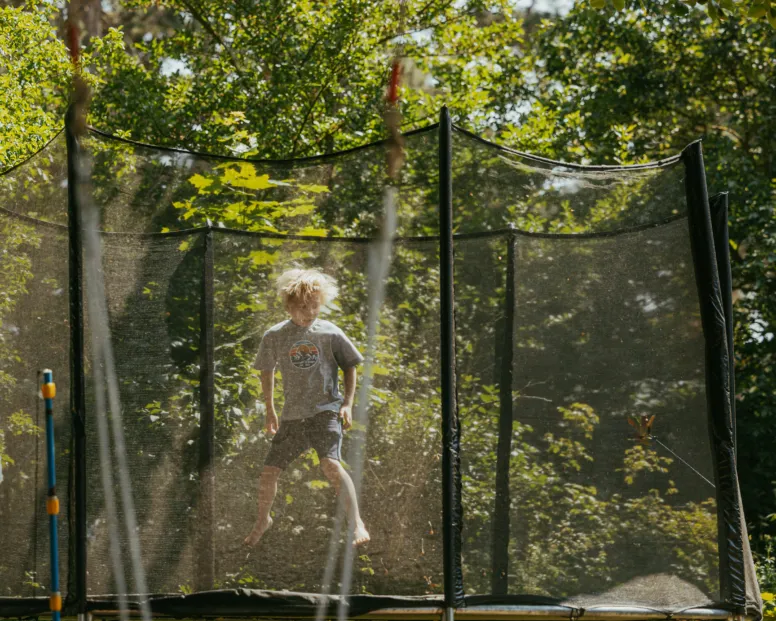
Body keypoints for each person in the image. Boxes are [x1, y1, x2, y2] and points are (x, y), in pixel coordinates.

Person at [244, 268, 370, 548]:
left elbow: (350, 365)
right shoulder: (275, 335)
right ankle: (263, 519)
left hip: (325, 410)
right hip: (292, 415)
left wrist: (348, 404)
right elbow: (266, 371)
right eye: (303, 306)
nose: (310, 311)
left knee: (330, 465)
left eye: (315, 305)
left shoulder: (329, 332)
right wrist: (270, 409)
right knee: (269, 471)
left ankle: (357, 522)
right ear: (289, 306)